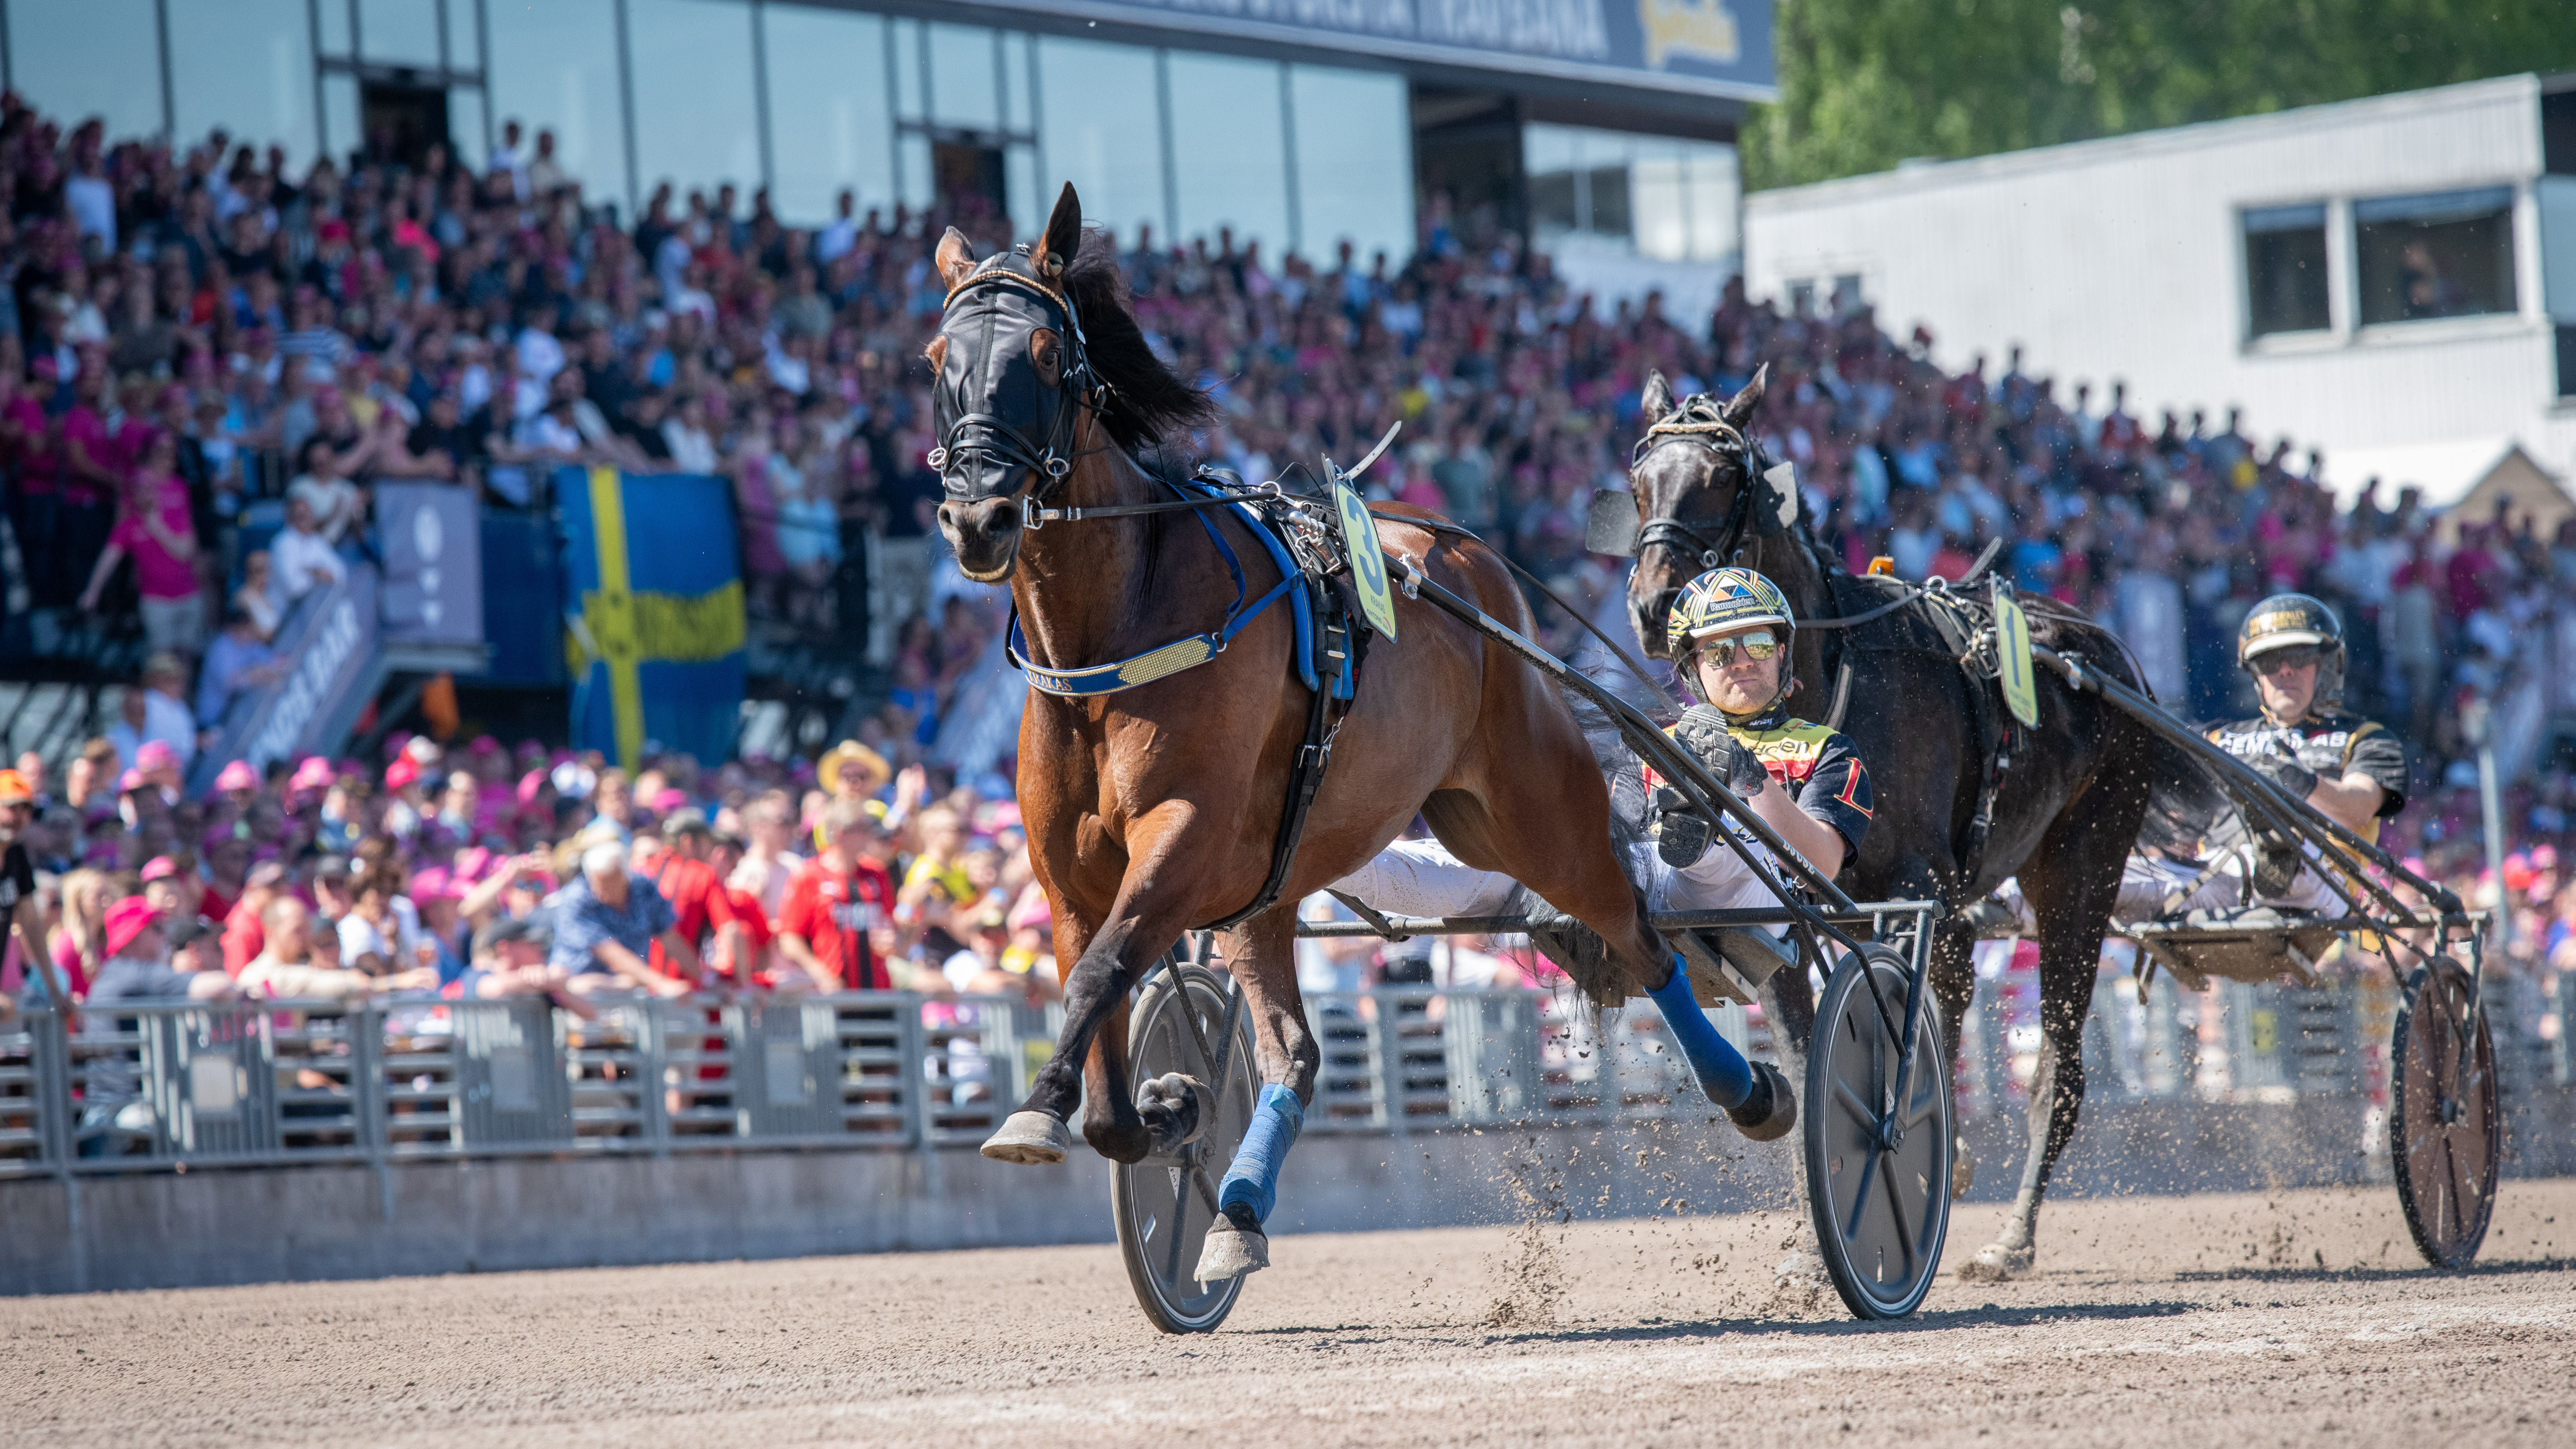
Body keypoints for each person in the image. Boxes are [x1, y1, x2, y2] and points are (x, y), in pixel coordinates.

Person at [1329, 567, 1875, 1139]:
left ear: (1782, 653)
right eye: (1719, 651)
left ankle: (1701, 820)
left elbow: (1823, 862)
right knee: (1487, 863)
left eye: (1757, 643)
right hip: (1638, 877)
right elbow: (1621, 833)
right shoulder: (1654, 740)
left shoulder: (1828, 748)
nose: (1740, 660)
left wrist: (1748, 780)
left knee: (1711, 847)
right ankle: (1321, 859)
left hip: (1753, 893)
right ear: (1692, 667)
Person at [547, 841, 697, 997]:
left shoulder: (643, 888)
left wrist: (706, 981)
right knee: (588, 985)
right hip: (582, 992)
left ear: (624, 875)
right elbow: (608, 951)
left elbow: (670, 938)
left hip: (631, 989)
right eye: (596, 882)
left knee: (629, 984)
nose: (600, 891)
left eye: (608, 882)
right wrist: (661, 984)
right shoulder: (576, 899)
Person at [775, 799, 895, 993]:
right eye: (863, 829)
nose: (869, 835)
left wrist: (893, 940)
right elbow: (789, 939)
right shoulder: (810, 875)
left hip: (878, 991)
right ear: (841, 833)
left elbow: (891, 926)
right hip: (832, 995)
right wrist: (820, 974)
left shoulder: (877, 874)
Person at [0, 770, 73, 1021]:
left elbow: (31, 923)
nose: (18, 816)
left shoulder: (16, 856)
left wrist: (54, 989)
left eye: (26, 809)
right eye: (11, 807)